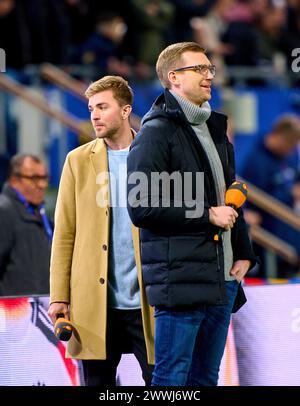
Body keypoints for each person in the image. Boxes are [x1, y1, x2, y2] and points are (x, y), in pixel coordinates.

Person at [127, 42, 257, 386]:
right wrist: (205, 216)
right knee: (171, 379)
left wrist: (244, 251)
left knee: (206, 379)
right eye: (198, 69)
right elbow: (142, 207)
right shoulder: (155, 133)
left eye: (210, 69)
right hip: (180, 280)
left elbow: (228, 193)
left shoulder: (214, 129)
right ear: (173, 78)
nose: (208, 75)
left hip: (223, 278)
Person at [48, 75, 154, 386]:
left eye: (103, 107)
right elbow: (64, 233)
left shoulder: (152, 156)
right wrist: (59, 296)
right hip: (94, 304)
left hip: (147, 303)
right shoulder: (77, 161)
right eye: (91, 107)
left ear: (125, 111)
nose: (94, 115)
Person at [240, 114, 300, 278]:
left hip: (290, 234)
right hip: (269, 240)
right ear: (279, 137)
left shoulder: (289, 158)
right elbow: (247, 197)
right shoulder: (256, 161)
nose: (291, 150)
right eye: (289, 144)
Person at [0, 154, 52, 296]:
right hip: (13, 313)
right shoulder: (4, 211)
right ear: (14, 180)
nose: (42, 185)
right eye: (35, 178)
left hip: (40, 309)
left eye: (44, 178)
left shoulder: (40, 213)